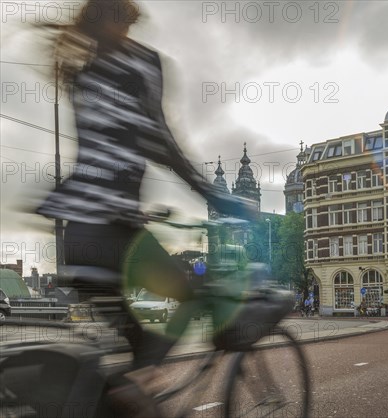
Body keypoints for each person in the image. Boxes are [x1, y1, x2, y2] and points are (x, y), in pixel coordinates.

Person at [35, 0, 255, 411]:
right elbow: (162, 144)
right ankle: (131, 397)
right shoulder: (140, 64)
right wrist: (216, 195)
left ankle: (113, 397)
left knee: (131, 343)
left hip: (73, 234)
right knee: (179, 307)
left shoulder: (81, 72)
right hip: (112, 228)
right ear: (125, 19)